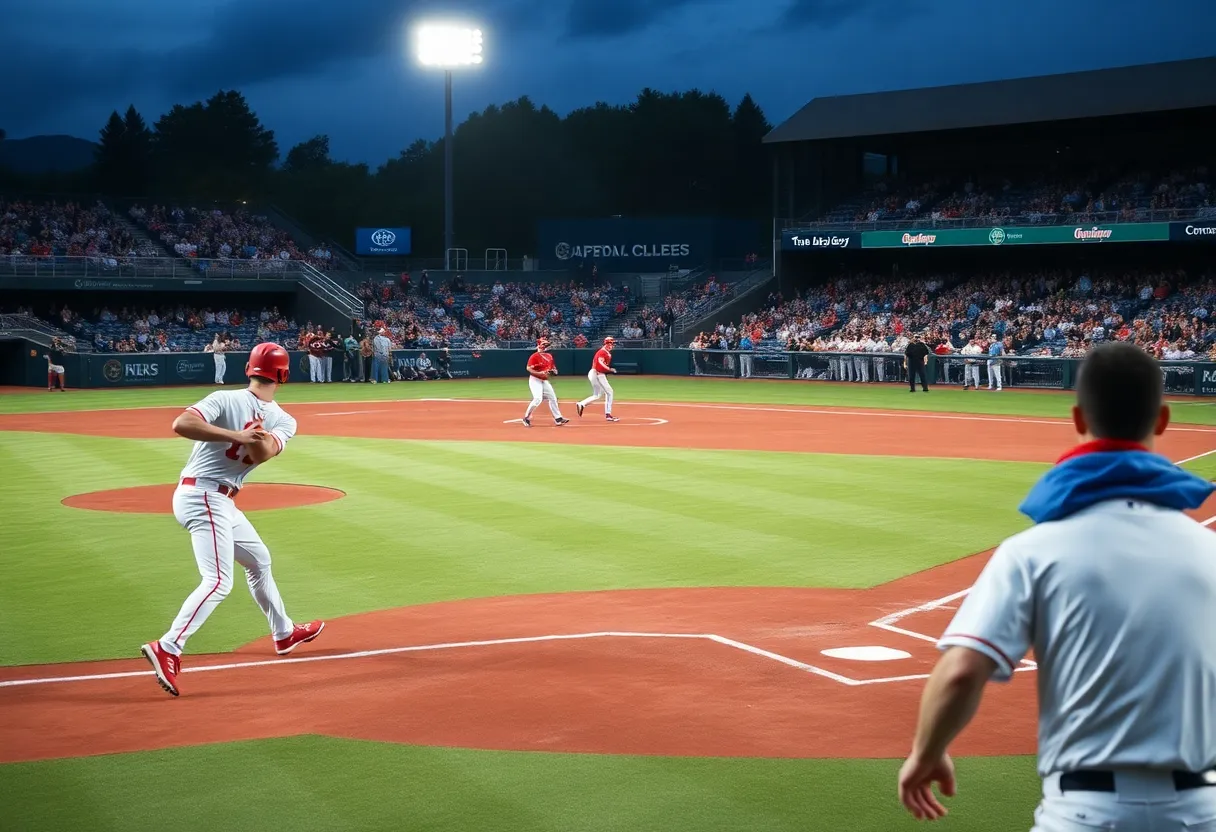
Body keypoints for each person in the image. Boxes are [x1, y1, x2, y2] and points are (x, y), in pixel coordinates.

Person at [897, 342, 1216, 830]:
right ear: (1163, 420)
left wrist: (926, 752)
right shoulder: (1207, 548)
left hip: (1085, 812)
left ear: (1079, 419)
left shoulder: (1033, 550)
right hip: (1200, 810)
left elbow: (962, 672)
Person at [140, 343, 325, 697]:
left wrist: (254, 436)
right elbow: (182, 424)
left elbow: (264, 452)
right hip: (203, 496)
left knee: (259, 561)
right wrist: (237, 435)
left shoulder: (277, 417)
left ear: (249, 369)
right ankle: (168, 647)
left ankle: (284, 632)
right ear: (284, 375)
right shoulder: (231, 402)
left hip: (220, 501)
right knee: (219, 580)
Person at [522, 336, 568, 428]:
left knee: (553, 398)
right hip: (535, 379)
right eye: (543, 344)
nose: (545, 346)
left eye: (546, 344)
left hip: (544, 380)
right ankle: (526, 417)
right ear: (539, 345)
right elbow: (529, 368)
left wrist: (554, 372)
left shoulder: (549, 356)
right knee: (537, 399)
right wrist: (539, 373)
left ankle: (558, 418)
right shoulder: (534, 356)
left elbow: (553, 369)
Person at [576, 336, 619, 421]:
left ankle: (582, 404)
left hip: (594, 373)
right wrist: (609, 369)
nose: (613, 345)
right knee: (609, 392)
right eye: (611, 343)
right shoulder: (603, 352)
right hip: (598, 373)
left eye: (613, 344)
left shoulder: (604, 352)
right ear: (607, 344)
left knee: (597, 395)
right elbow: (600, 363)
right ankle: (608, 415)